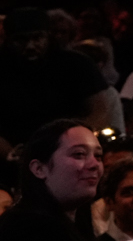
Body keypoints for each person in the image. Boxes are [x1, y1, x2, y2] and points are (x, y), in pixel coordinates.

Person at [0, 8, 110, 144]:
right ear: (8, 40)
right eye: (20, 40)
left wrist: (73, 143)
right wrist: (8, 153)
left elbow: (99, 111)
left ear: (48, 37)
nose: (30, 46)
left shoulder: (77, 64)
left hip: (70, 149)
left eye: (37, 38)